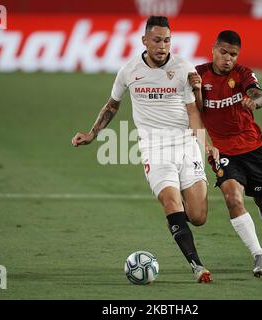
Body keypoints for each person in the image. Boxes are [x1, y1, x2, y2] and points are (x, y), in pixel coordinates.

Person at [72, 16, 219, 283]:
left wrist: (205, 145)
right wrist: (92, 134)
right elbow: (112, 106)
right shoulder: (129, 71)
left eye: (167, 40)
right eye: (156, 40)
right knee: (171, 202)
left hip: (186, 145)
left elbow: (193, 113)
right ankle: (197, 266)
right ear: (144, 41)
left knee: (198, 216)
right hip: (155, 149)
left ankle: (176, 220)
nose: (162, 46)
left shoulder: (182, 68)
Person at [189, 30, 262, 277]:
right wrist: (197, 93)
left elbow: (258, 96)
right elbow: (193, 111)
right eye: (224, 52)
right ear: (213, 49)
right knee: (232, 197)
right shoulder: (198, 74)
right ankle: (259, 255)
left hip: (253, 148)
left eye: (233, 54)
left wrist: (254, 101)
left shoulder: (243, 74)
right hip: (221, 150)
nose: (228, 58)